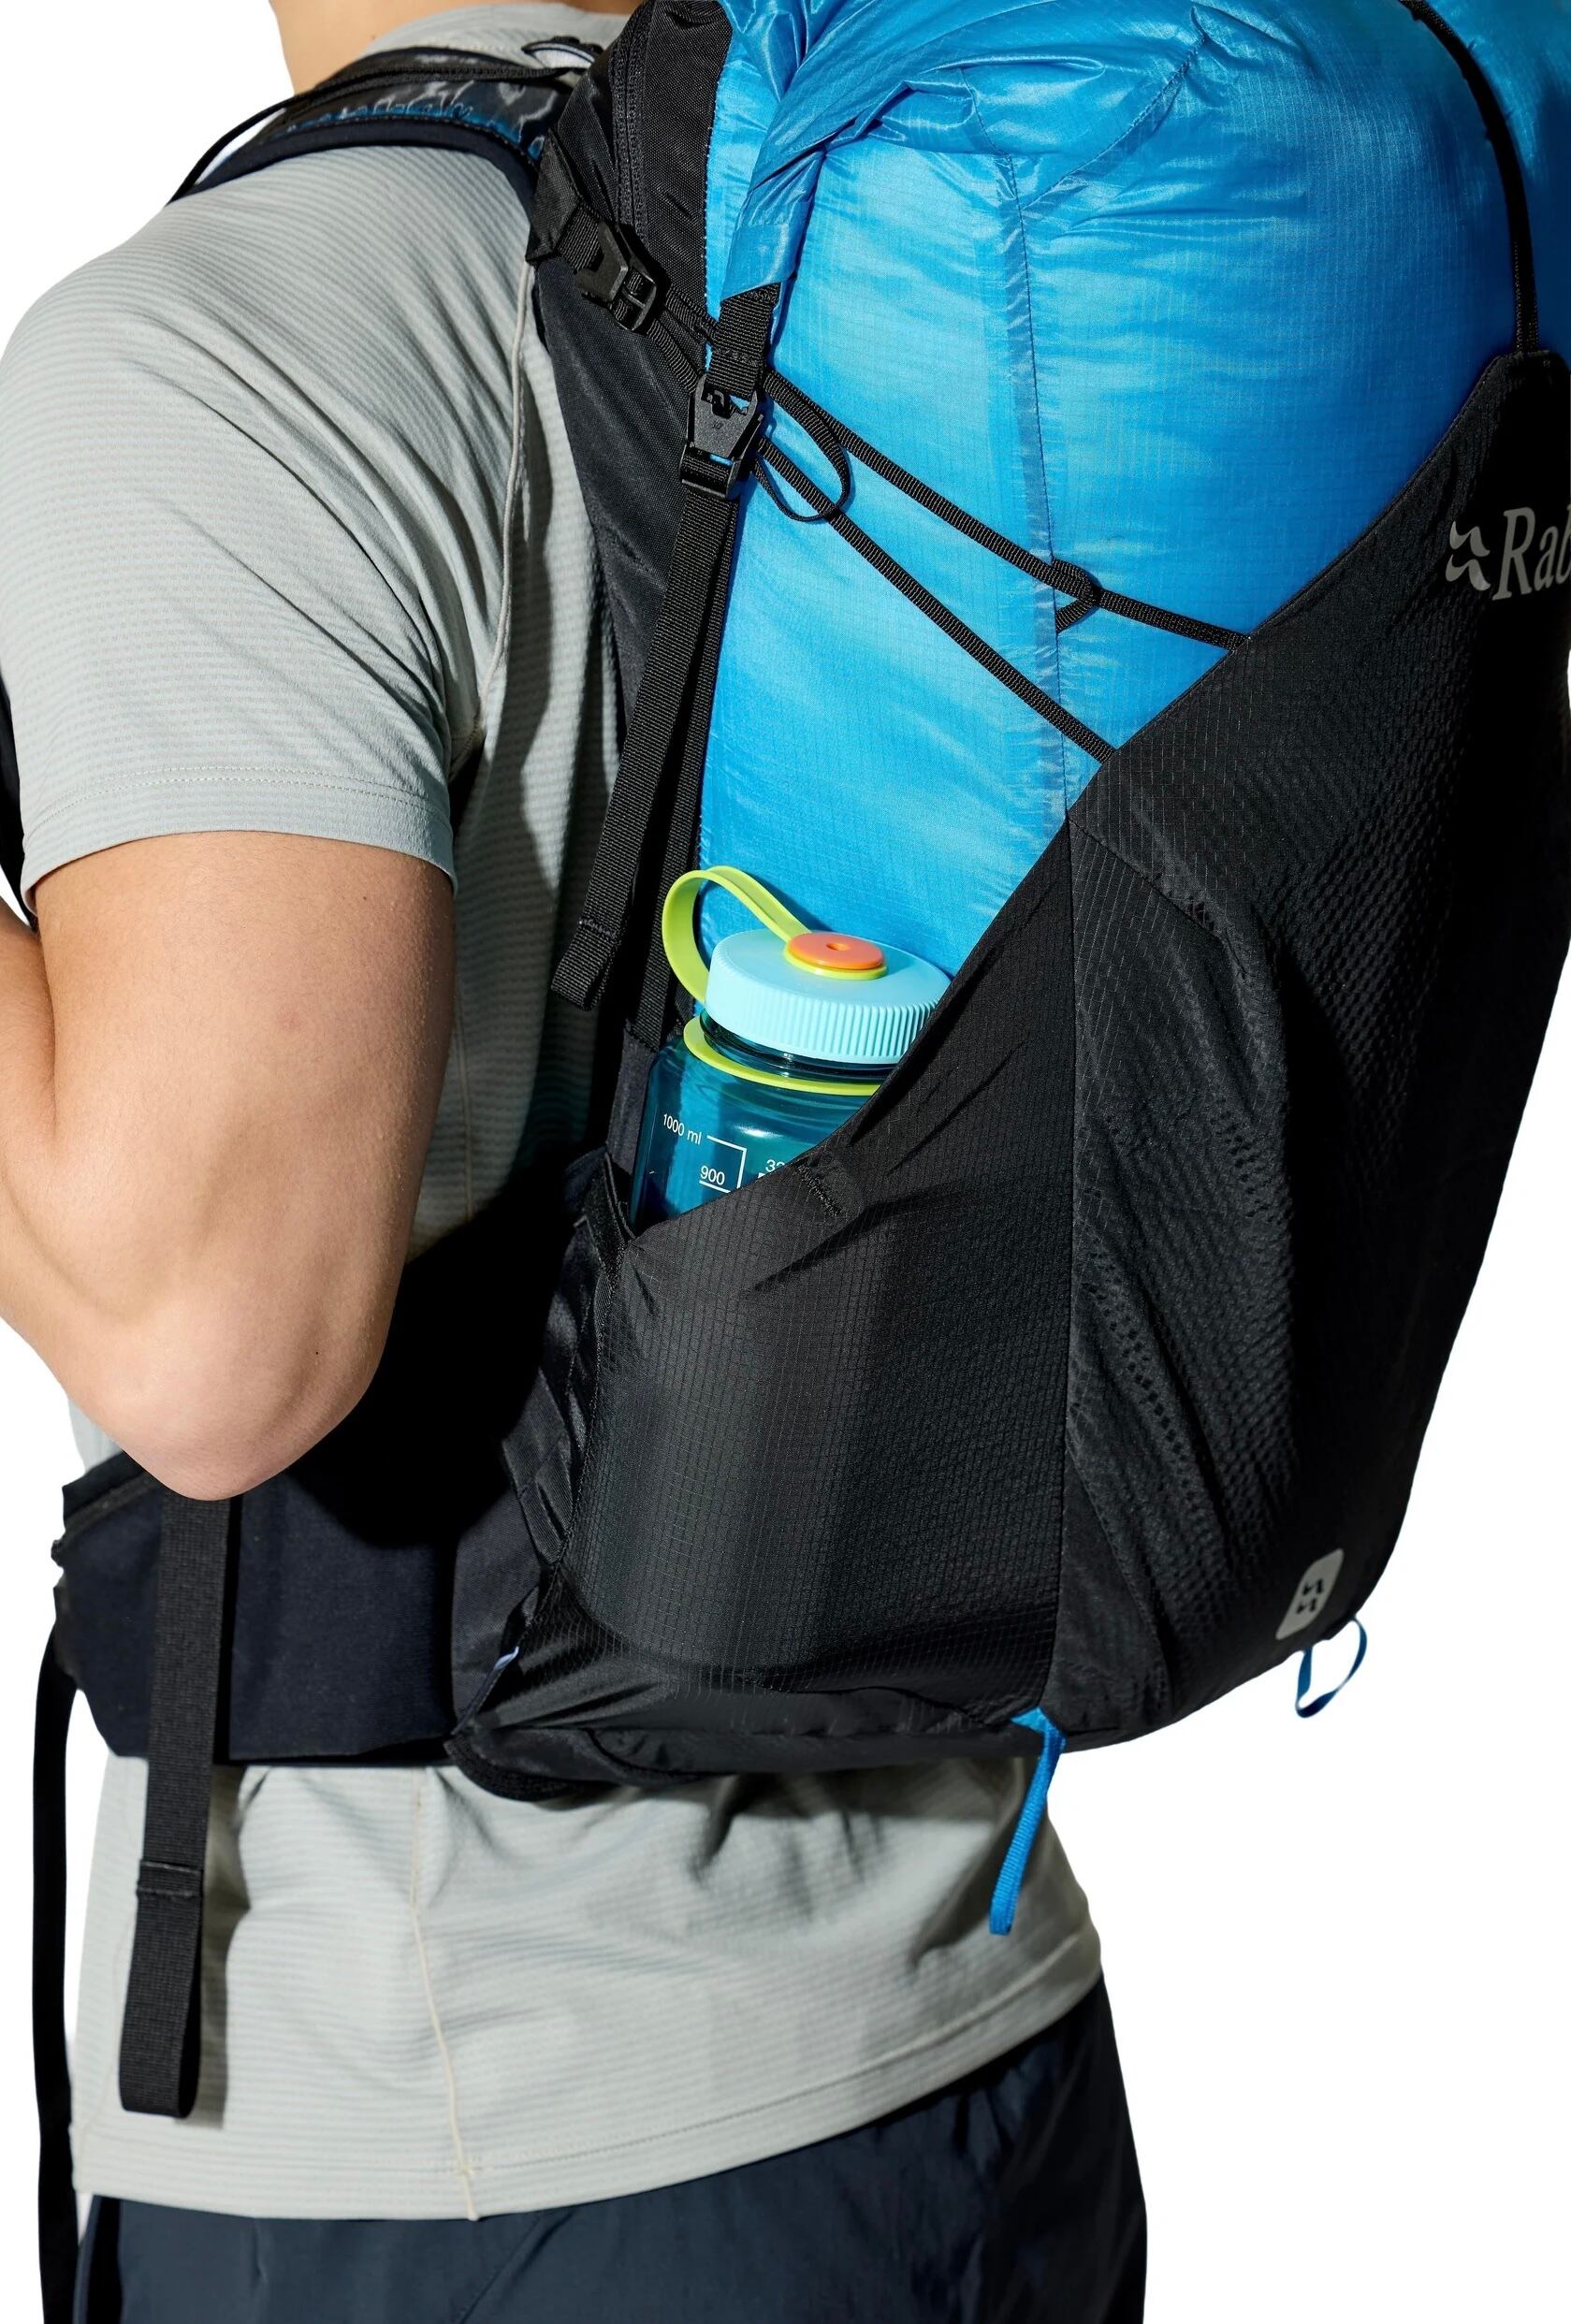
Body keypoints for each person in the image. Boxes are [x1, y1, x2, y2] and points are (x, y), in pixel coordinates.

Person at [0, 4, 1142, 2317]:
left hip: (480, 2127)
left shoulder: (242, 350)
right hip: (966, 2038)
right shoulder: (906, 289)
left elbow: (209, 1339)